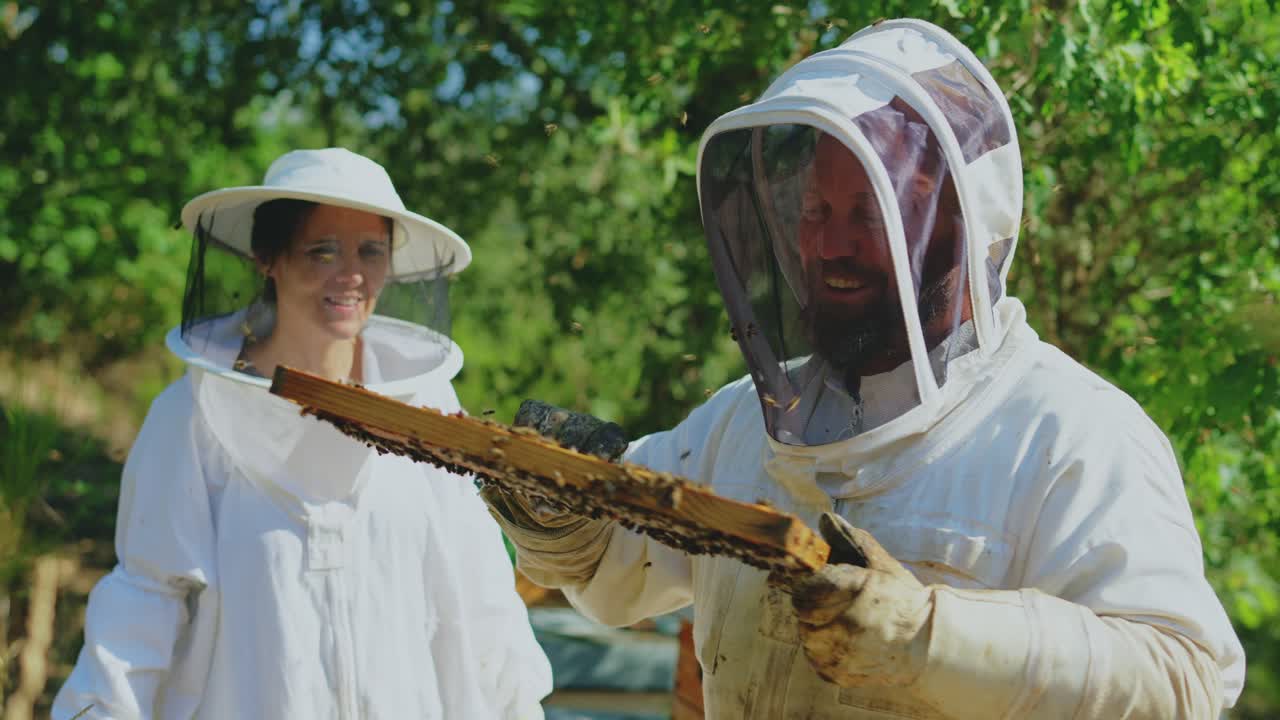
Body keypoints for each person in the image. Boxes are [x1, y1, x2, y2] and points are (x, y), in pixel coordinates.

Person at [485, 18, 1244, 718]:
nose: (830, 246)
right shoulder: (745, 421)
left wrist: (931, 639)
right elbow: (621, 570)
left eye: (872, 214)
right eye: (816, 211)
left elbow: (1181, 679)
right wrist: (556, 508)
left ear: (964, 226)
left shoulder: (1070, 432)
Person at [52, 148, 552, 719]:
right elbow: (146, 596)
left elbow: (477, 589)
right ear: (269, 258)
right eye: (322, 251)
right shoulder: (192, 415)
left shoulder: (427, 407)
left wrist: (518, 708)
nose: (352, 275)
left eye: (371, 251)